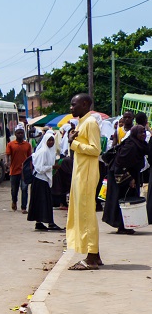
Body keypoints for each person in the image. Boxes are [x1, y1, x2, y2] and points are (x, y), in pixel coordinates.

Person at [66, 93, 103, 270]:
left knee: (87, 214)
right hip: (81, 173)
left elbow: (96, 150)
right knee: (83, 213)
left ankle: (91, 257)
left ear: (85, 104)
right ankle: (94, 254)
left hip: (87, 175)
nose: (71, 108)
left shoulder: (90, 123)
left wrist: (74, 144)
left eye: (74, 105)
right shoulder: (82, 122)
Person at [102, 124, 147, 234]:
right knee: (122, 199)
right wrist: (129, 179)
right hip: (121, 175)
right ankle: (122, 226)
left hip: (130, 174)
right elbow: (119, 163)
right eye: (140, 132)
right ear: (135, 134)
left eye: (144, 132)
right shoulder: (130, 146)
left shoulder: (139, 144)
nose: (143, 135)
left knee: (128, 199)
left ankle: (126, 225)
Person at [28, 131, 64, 231]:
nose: (51, 142)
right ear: (45, 141)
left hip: (44, 179)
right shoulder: (43, 151)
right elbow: (39, 168)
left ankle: (39, 222)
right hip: (40, 180)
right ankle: (50, 223)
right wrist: (52, 167)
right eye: (49, 140)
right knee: (45, 202)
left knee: (42, 202)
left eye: (52, 140)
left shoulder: (49, 151)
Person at [6, 124, 32, 213]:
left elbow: (30, 158)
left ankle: (24, 207)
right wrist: (8, 163)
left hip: (24, 171)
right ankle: (14, 201)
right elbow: (8, 155)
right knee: (14, 189)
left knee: (24, 189)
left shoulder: (27, 145)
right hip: (14, 170)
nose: (20, 134)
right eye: (18, 133)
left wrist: (31, 168)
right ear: (15, 134)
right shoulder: (11, 144)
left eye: (22, 133)